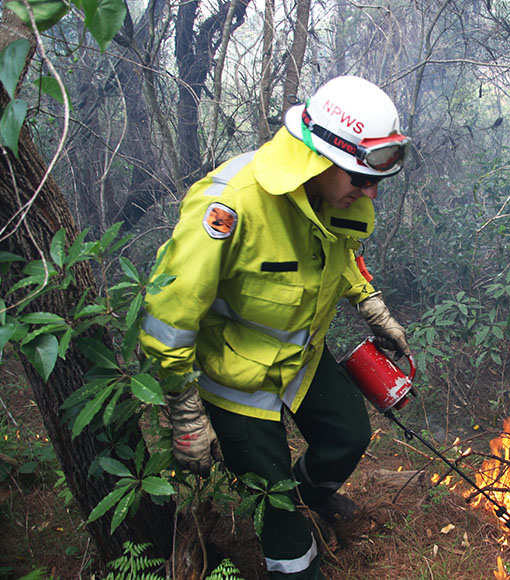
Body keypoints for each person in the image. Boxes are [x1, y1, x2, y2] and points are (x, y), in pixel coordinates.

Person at [139, 75, 411, 580]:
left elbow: (341, 254)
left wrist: (371, 305)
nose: (370, 190)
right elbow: (168, 313)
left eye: (375, 179)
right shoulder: (230, 203)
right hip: (235, 378)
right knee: (277, 510)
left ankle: (312, 497)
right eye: (359, 177)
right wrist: (184, 410)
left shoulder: (337, 197)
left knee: (348, 437)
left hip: (301, 360)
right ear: (319, 159)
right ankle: (295, 562)